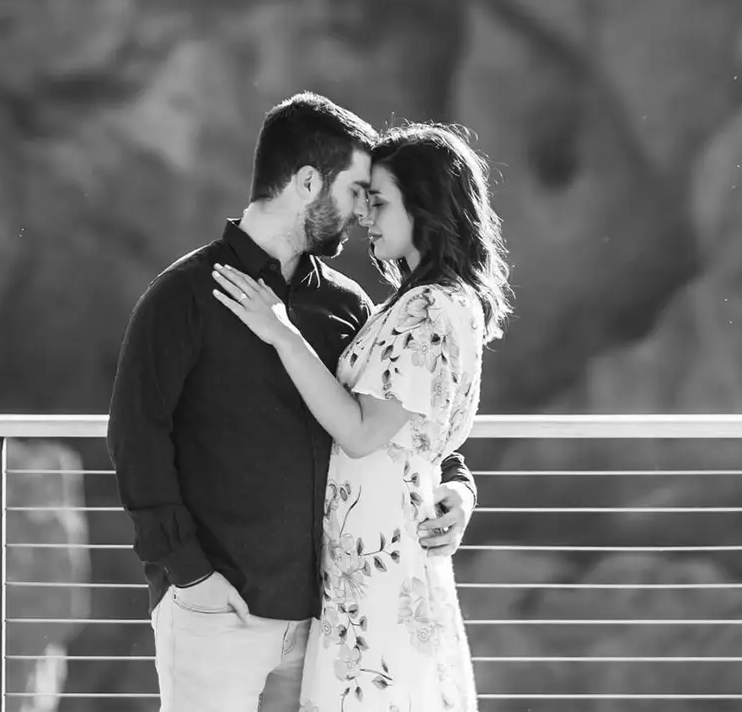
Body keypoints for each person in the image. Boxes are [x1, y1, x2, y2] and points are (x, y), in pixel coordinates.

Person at [107, 93, 480, 712]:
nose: (363, 210)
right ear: (308, 181)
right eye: (358, 189)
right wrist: (189, 575)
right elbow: (134, 439)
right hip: (216, 613)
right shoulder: (184, 296)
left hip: (326, 623)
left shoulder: (349, 306)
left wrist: (459, 488)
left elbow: (406, 420)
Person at [212, 123, 507, 712]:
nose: (365, 216)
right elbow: (416, 436)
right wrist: (458, 484)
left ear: (424, 206)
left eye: (380, 201)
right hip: (372, 552)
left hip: (384, 559)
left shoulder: (430, 307)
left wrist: (280, 331)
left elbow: (362, 431)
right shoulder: (417, 302)